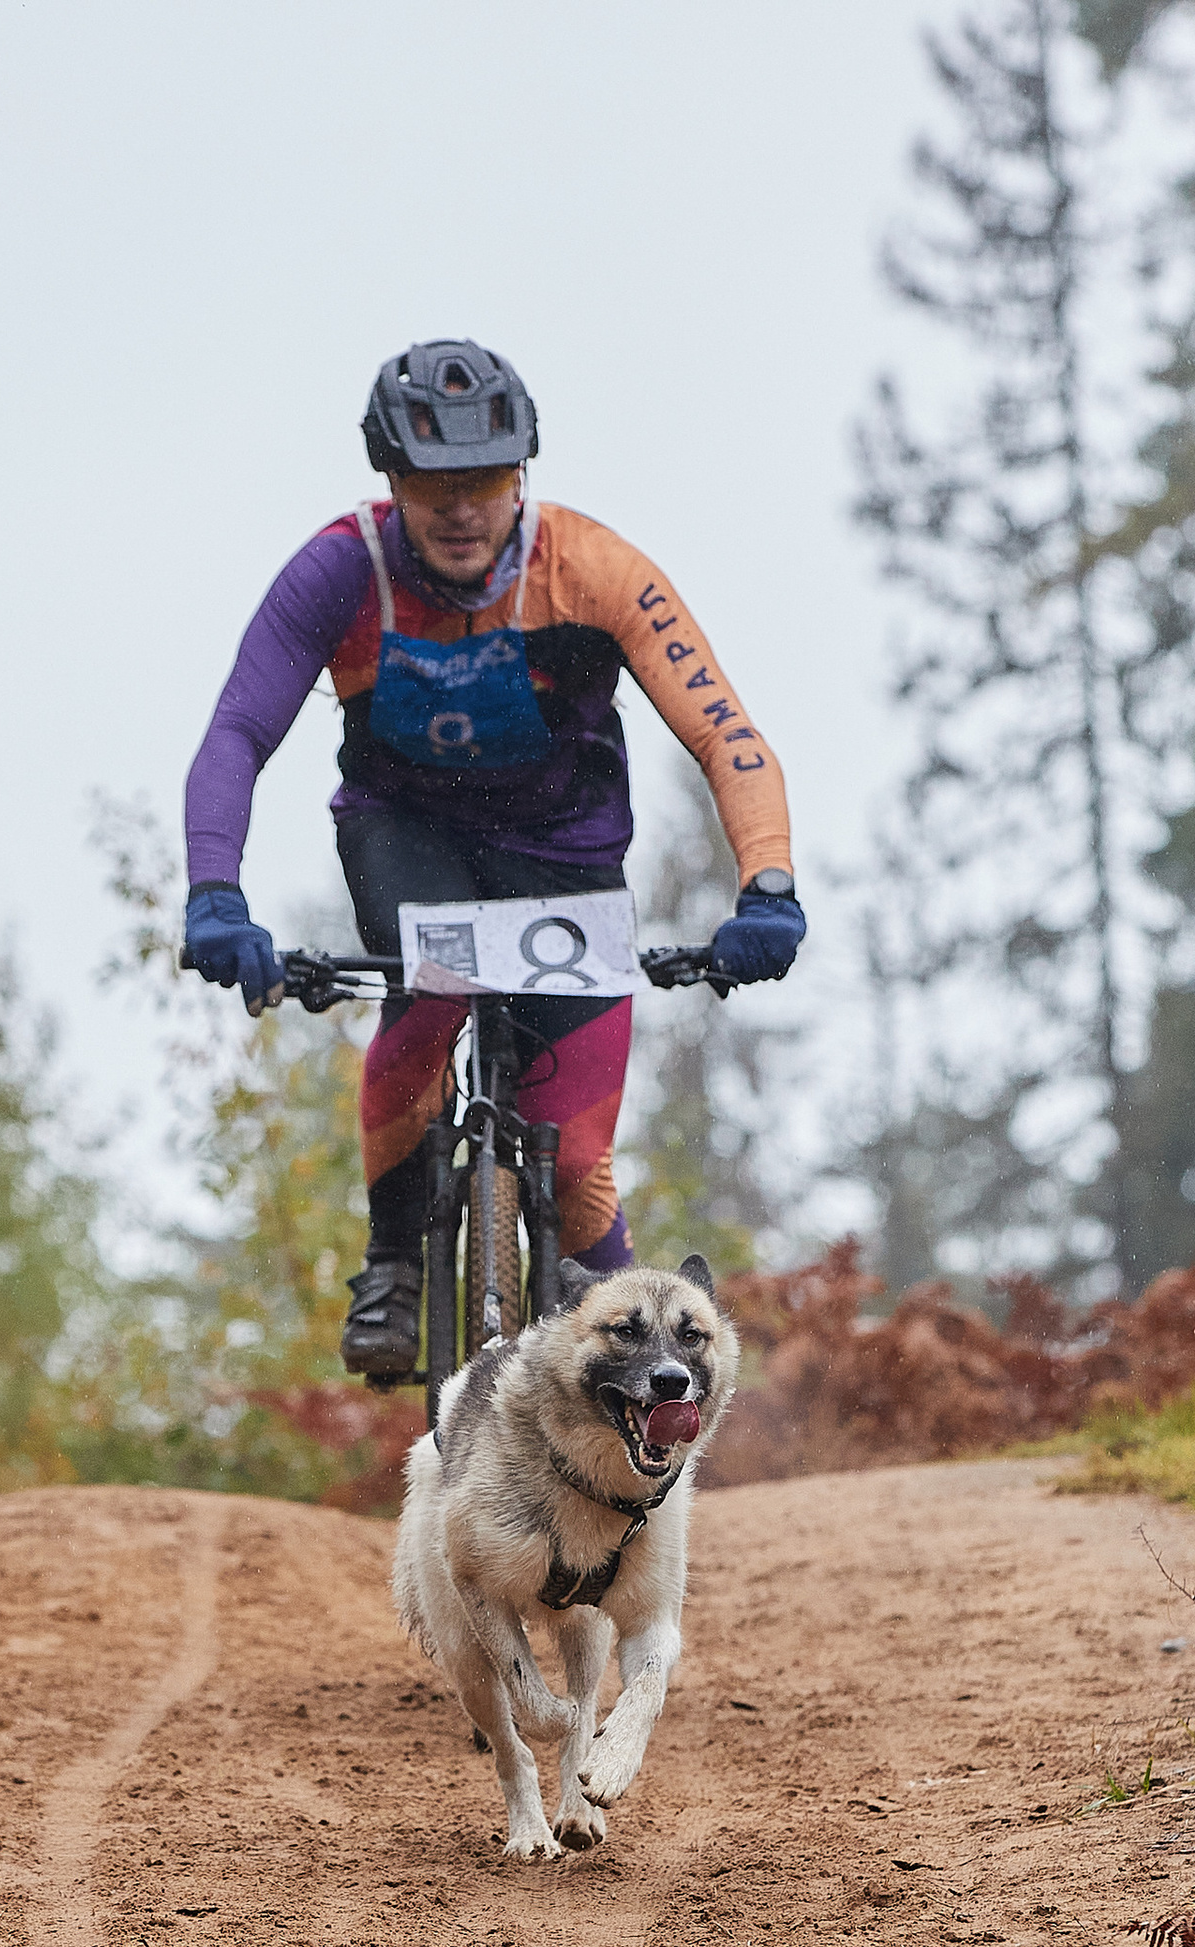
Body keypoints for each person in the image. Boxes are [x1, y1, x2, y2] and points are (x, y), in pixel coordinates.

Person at [182, 340, 804, 1377]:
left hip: (565, 861)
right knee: (429, 997)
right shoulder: (342, 570)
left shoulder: (595, 568)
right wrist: (215, 893)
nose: (459, 509)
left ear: (523, 475)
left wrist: (768, 884)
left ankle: (643, 1391)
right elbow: (237, 733)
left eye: (483, 482)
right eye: (432, 487)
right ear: (391, 484)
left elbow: (725, 734)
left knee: (579, 1164)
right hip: (408, 835)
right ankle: (392, 1259)